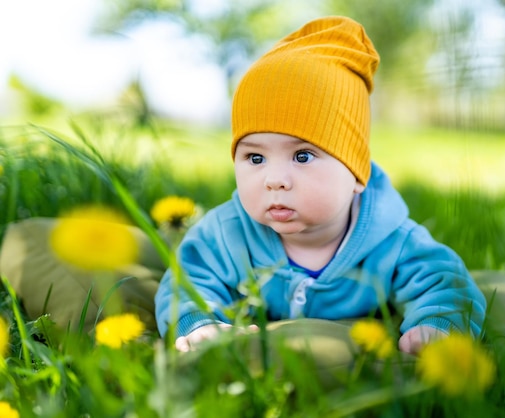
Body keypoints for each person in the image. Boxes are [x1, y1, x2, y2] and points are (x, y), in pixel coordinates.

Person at [154, 15, 486, 355]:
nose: (275, 180)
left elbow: (444, 283)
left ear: (357, 174)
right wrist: (199, 322)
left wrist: (437, 324)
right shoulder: (226, 233)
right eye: (255, 158)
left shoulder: (394, 242)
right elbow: (187, 282)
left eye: (302, 156)